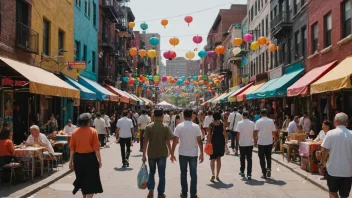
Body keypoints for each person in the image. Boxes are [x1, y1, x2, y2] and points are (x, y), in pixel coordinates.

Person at [171, 109, 204, 198]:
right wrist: (202, 153)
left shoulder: (179, 126)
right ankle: (193, 194)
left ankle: (184, 193)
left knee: (183, 173)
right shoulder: (196, 126)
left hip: (182, 153)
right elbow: (199, 141)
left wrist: (172, 153)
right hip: (193, 154)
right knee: (193, 174)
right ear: (192, 115)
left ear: (184, 116)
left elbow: (175, 141)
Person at [69, 113, 103, 197]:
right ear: (88, 121)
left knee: (81, 179)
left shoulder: (74, 132)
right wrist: (99, 160)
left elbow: (72, 149)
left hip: (78, 159)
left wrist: (70, 161)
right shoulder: (93, 131)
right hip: (90, 158)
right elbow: (96, 148)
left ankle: (84, 196)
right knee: (91, 180)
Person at [142, 109, 174, 198]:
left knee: (152, 172)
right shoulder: (165, 126)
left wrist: (144, 154)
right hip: (162, 153)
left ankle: (151, 189)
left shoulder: (149, 126)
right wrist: (171, 152)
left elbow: (145, 141)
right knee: (162, 174)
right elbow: (168, 141)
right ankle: (160, 193)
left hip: (151, 153)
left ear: (153, 116)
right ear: (162, 116)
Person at [320, 113, 352, 198]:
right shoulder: (351, 134)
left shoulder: (330, 133)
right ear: (346, 123)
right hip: (347, 171)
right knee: (344, 195)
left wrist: (322, 163)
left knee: (332, 192)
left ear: (335, 122)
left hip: (333, 170)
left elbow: (325, 150)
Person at [254, 109, 277, 179]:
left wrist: (255, 140)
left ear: (260, 114)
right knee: (268, 156)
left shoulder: (258, 121)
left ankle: (264, 173)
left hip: (261, 142)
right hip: (269, 142)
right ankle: (269, 168)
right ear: (267, 114)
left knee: (261, 158)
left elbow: (256, 132)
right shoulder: (271, 121)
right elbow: (274, 132)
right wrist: (275, 140)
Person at [207, 111, 228, 182]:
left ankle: (212, 174)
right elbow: (224, 133)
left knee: (212, 159)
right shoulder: (222, 124)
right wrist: (226, 139)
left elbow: (209, 134)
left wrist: (208, 142)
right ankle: (217, 175)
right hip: (220, 143)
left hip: (213, 143)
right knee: (219, 159)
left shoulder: (211, 125)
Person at [236, 111, 255, 180]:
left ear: (242, 115)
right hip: (250, 143)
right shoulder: (252, 123)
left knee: (242, 158)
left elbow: (238, 134)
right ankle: (249, 174)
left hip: (242, 143)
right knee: (249, 159)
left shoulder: (239, 123)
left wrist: (237, 142)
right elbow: (254, 132)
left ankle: (242, 171)